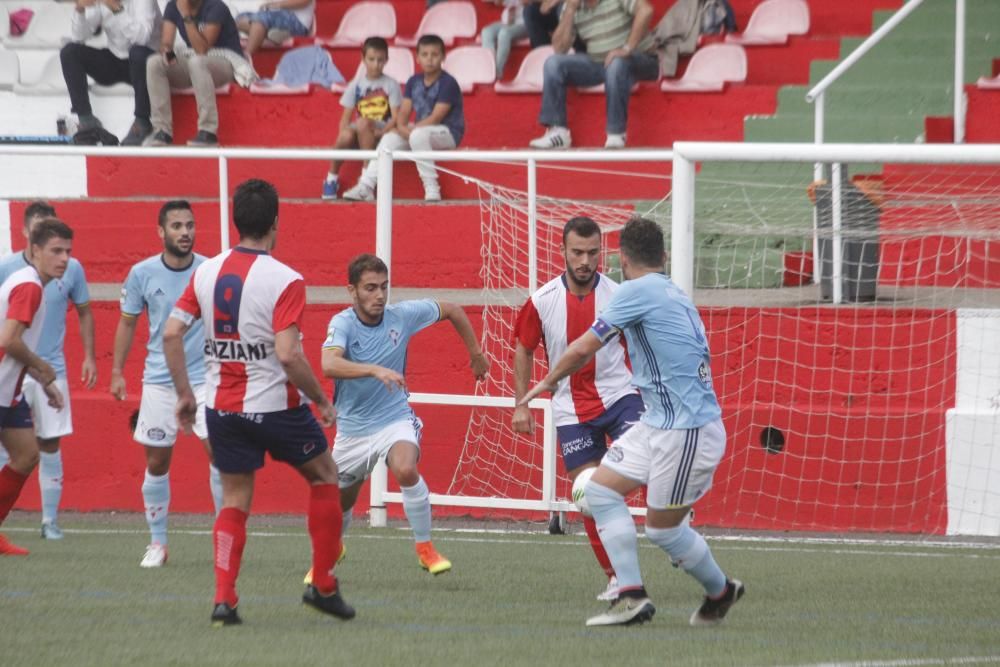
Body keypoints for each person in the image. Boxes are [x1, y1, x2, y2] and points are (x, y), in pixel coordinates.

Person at [520, 217, 744, 627]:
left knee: (662, 532)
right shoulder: (670, 290)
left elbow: (582, 349)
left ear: (620, 258)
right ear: (663, 256)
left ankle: (721, 589)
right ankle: (631, 594)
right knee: (599, 492)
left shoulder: (633, 292)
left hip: (686, 429)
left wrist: (546, 382)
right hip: (658, 422)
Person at [164, 179, 354, 626]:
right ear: (274, 222)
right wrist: (320, 399)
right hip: (276, 409)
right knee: (326, 474)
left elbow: (171, 333)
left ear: (235, 219)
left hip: (223, 409)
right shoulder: (286, 279)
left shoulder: (206, 272)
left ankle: (224, 600)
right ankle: (323, 584)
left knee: (234, 498)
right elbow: (288, 354)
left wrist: (186, 395)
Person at [320, 254, 488, 576]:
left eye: (384, 287)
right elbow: (329, 365)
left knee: (404, 467)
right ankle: (334, 547)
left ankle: (425, 548)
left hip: (394, 418)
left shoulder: (402, 315)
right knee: (340, 500)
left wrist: (476, 354)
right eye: (370, 288)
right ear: (352, 291)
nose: (380, 296)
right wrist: (374, 370)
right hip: (353, 430)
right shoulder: (343, 323)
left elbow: (452, 309)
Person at [511, 216, 642, 601]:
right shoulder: (542, 300)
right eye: (578, 252)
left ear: (602, 251)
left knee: (650, 460)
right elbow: (524, 348)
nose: (585, 260)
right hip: (571, 409)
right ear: (563, 251)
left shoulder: (621, 295)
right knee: (587, 496)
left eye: (593, 252)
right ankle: (617, 578)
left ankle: (674, 521)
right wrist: (522, 405)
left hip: (621, 396)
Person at [110, 200, 223, 568]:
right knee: (157, 462)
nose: (185, 232)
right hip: (159, 380)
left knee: (220, 456)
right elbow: (127, 323)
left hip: (206, 379)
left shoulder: (210, 270)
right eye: (176, 226)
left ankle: (227, 536)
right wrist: (117, 371)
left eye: (189, 225)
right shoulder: (141, 273)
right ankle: (158, 543)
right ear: (161, 232)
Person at [0, 202, 96, 541]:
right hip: (3, 388)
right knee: (26, 455)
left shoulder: (36, 284)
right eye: (56, 251)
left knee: (27, 455)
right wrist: (43, 368)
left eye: (68, 251)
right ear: (35, 250)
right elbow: (9, 340)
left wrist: (44, 381)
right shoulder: (27, 286)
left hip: (8, 389)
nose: (64, 259)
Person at [342, 34, 464, 203]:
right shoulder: (414, 81)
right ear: (418, 58)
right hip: (421, 130)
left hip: (448, 132)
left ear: (443, 57)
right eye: (425, 54)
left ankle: (432, 188)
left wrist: (409, 131)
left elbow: (436, 117)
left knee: (417, 135)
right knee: (390, 137)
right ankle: (366, 187)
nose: (430, 59)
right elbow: (404, 113)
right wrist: (400, 127)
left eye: (435, 55)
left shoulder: (448, 82)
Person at [529, 0, 658, 150]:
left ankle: (616, 133)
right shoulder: (572, 7)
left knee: (617, 63)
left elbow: (646, 10)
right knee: (554, 63)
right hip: (601, 63)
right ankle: (558, 132)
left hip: (641, 59)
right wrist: (570, 10)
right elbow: (559, 48)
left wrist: (627, 48)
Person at [60, 0, 162, 145]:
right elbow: (78, 37)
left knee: (138, 53)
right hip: (116, 59)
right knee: (69, 52)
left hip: (144, 65)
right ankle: (86, 121)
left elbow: (141, 38)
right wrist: (80, 9)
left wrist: (116, 8)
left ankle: (142, 122)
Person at [146, 0, 245, 147]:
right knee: (155, 63)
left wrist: (186, 15)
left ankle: (208, 132)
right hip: (196, 61)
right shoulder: (173, 6)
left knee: (197, 62)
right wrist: (168, 54)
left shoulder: (216, 7)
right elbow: (166, 42)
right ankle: (162, 131)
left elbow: (202, 49)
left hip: (227, 62)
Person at [322, 37, 401, 200]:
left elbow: (395, 118)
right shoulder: (355, 84)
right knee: (348, 133)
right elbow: (345, 118)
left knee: (363, 122)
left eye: (380, 60)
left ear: (386, 60)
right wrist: (345, 136)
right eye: (371, 59)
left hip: (381, 129)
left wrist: (382, 132)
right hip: (360, 129)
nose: (375, 64)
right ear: (363, 59)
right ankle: (331, 178)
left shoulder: (391, 84)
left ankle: (366, 181)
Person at [235, 0, 314, 56]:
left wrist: (277, 4)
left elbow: (304, 1)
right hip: (276, 16)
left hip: (297, 21)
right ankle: (273, 34)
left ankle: (245, 58)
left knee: (259, 20)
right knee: (240, 19)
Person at [481, 0, 528, 80]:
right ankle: (489, 68)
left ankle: (497, 72)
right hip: (507, 21)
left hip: (524, 23)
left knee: (504, 34)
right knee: (486, 32)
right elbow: (498, 3)